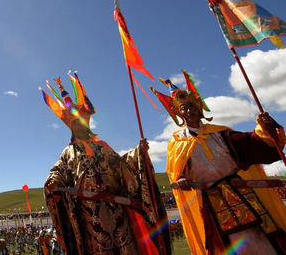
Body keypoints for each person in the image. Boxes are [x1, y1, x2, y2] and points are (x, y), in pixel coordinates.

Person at [153, 73, 286, 254]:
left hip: (241, 192)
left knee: (261, 234)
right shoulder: (177, 144)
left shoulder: (221, 133)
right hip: (211, 199)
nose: (189, 110)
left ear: (200, 109)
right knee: (225, 244)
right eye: (184, 108)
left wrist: (265, 127)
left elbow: (251, 143)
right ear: (179, 114)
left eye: (192, 106)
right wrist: (182, 179)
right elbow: (178, 172)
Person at [42, 73, 170, 255]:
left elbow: (122, 167)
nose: (80, 125)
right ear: (71, 126)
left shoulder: (103, 148)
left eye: (82, 121)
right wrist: (54, 182)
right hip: (89, 214)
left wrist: (138, 152)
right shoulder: (68, 152)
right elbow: (57, 172)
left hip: (116, 208)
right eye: (75, 123)